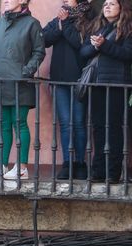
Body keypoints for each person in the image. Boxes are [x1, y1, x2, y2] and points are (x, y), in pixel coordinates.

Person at [0, 0, 45, 180]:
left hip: (20, 83)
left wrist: (25, 72)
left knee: (19, 124)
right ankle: (2, 166)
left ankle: (21, 167)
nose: (6, 1)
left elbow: (39, 52)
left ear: (22, 1)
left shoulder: (32, 24)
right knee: (3, 125)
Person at [80, 0, 132, 183]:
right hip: (96, 83)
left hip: (117, 83)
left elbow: (127, 54)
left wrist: (104, 45)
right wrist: (95, 46)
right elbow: (83, 52)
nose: (107, 6)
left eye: (112, 3)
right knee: (99, 128)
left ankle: (112, 172)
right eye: (105, 4)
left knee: (114, 129)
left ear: (121, 8)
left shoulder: (127, 29)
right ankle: (98, 171)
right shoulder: (98, 28)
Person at [44, 0, 93, 180]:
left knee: (79, 123)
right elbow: (44, 39)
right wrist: (60, 25)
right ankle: (67, 163)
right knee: (65, 124)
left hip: (79, 80)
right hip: (59, 79)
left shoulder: (88, 19)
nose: (64, 1)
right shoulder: (59, 19)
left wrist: (64, 24)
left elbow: (80, 45)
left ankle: (80, 163)